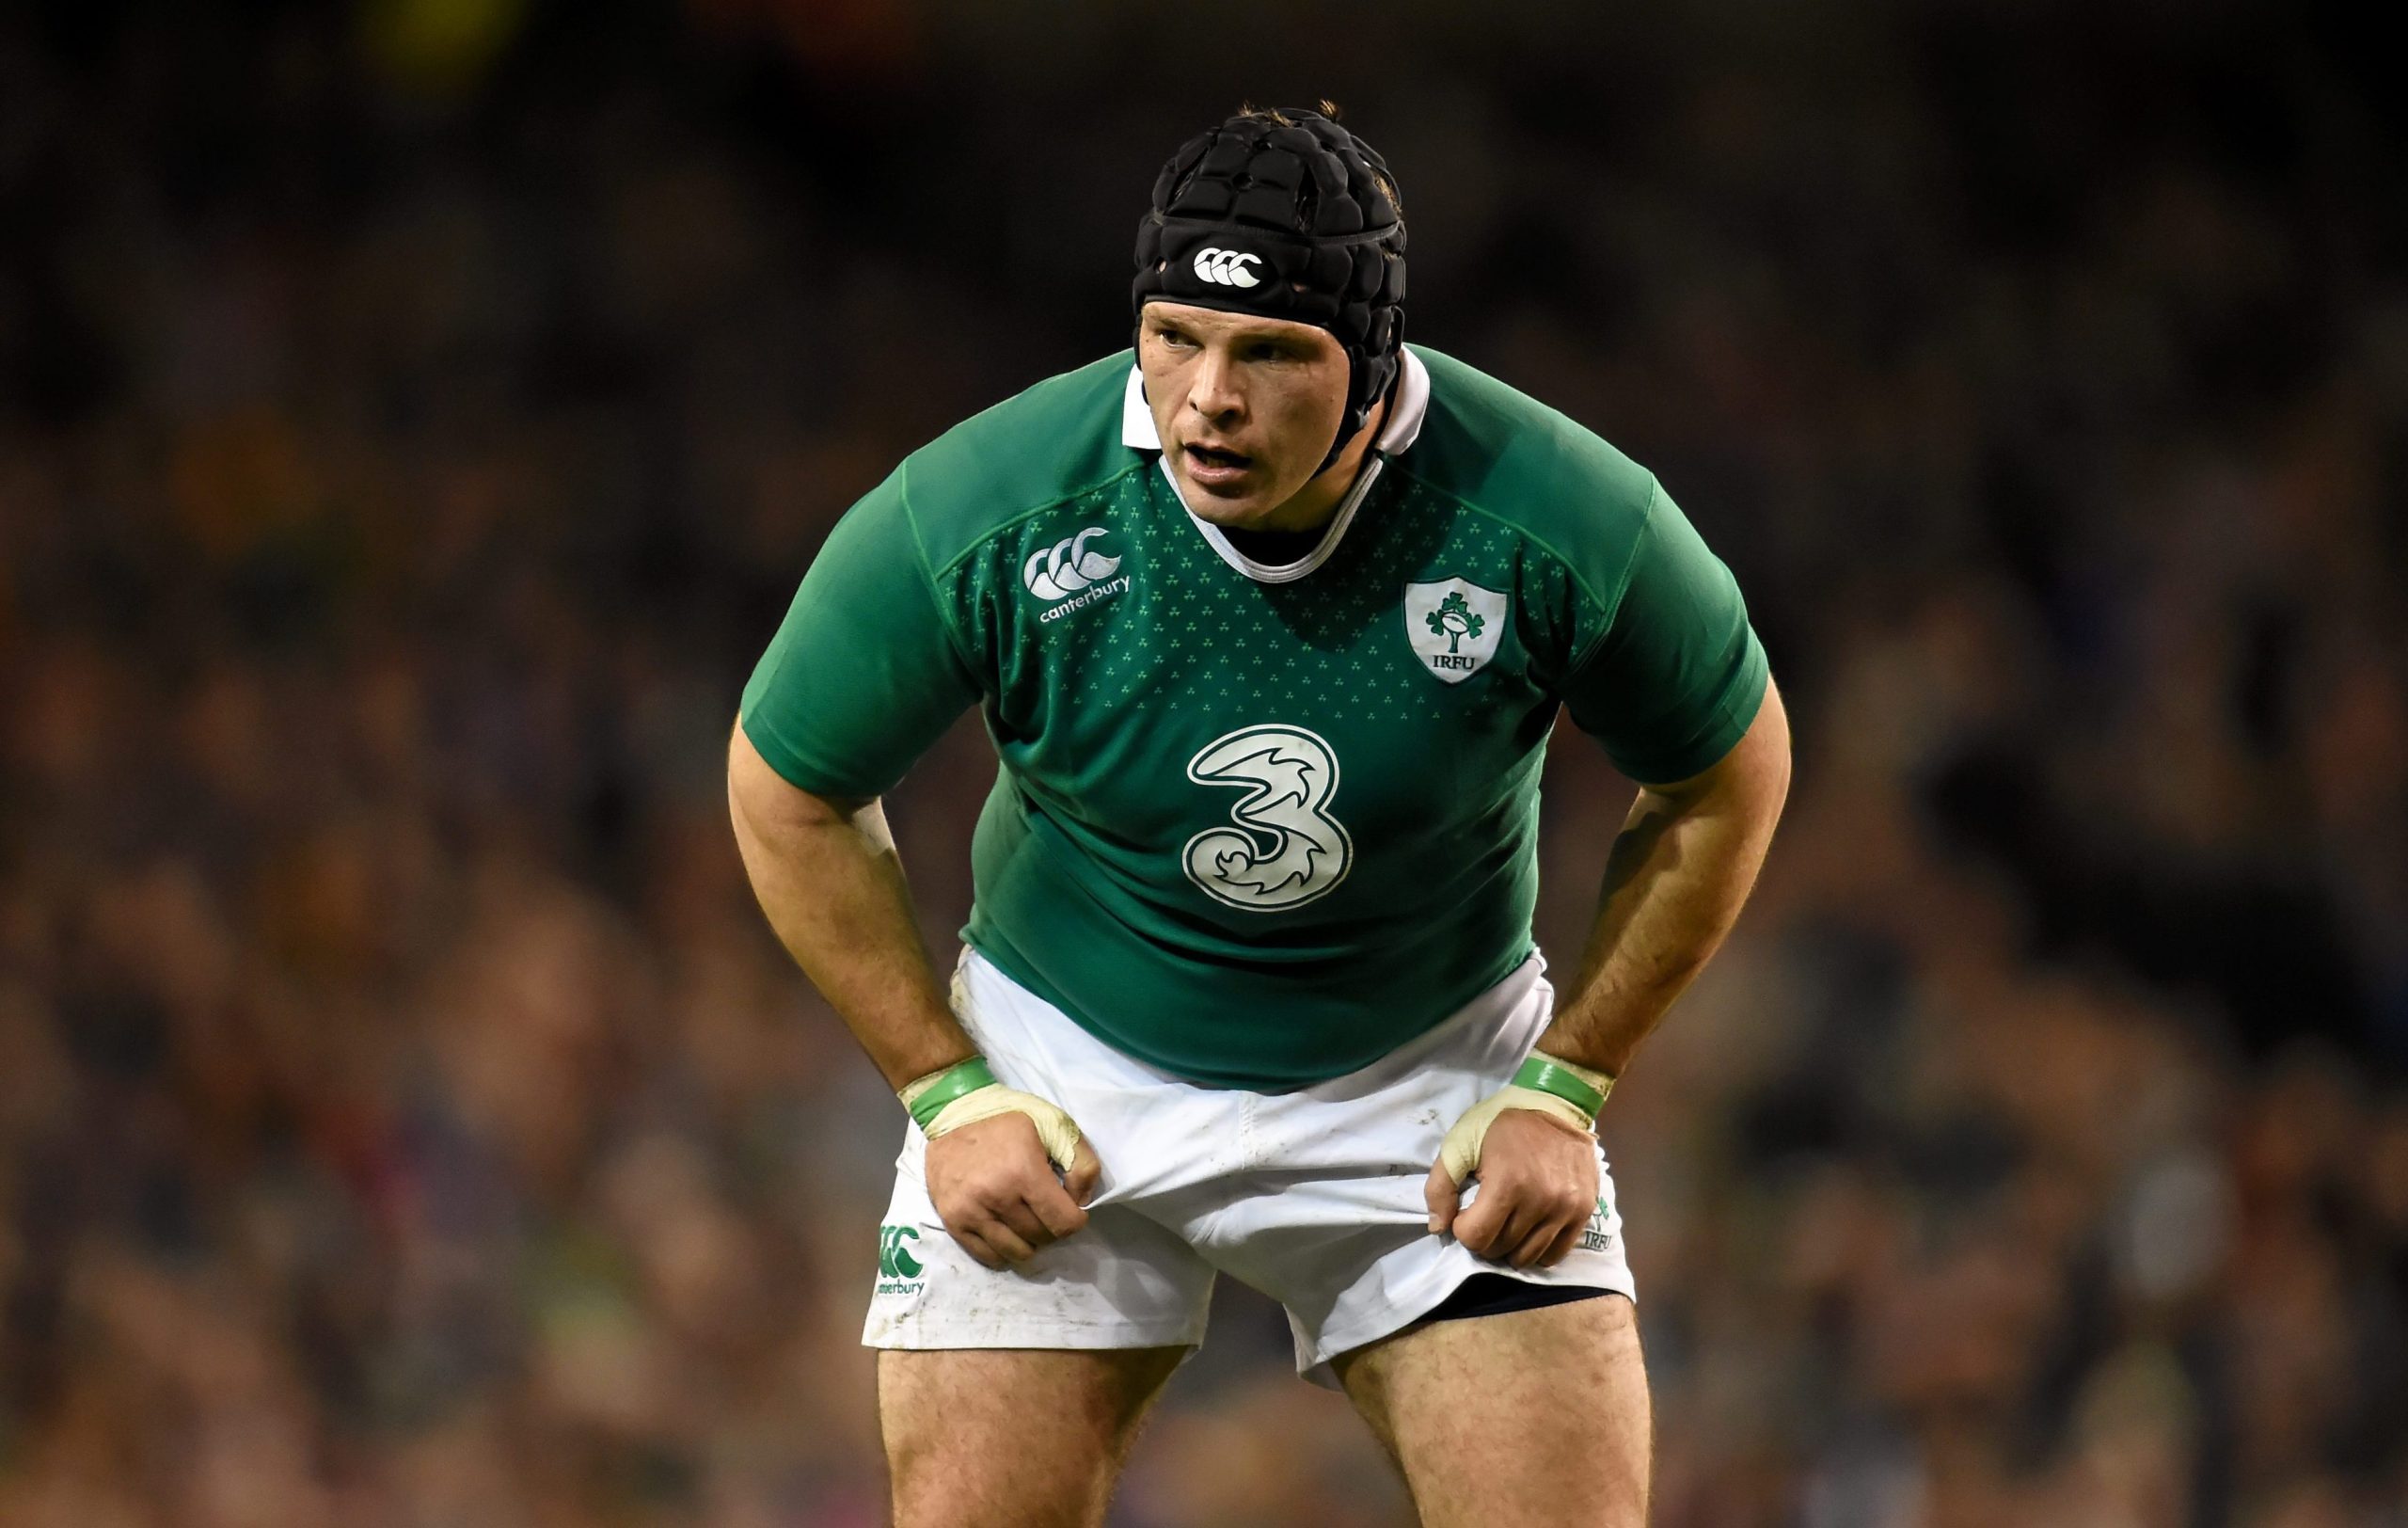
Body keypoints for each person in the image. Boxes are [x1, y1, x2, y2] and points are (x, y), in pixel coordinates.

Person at [727, 103, 1789, 1528]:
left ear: (1373, 370)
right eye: (1174, 337)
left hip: (1431, 1081)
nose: (1208, 397)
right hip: (1064, 1064)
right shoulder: (994, 505)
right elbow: (787, 790)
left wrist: (1571, 1081)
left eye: (1273, 353)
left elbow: (1728, 774)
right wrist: (942, 1088)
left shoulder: (1556, 516)